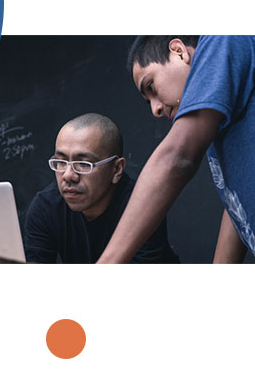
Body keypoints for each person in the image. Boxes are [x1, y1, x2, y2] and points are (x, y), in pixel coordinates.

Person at [98, 36, 255, 263]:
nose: (155, 109)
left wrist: (106, 265)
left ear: (178, 50)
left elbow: (177, 158)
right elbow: (236, 205)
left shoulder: (223, 37)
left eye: (150, 86)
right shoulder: (218, 124)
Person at [23, 113, 179, 263]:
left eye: (84, 164)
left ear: (116, 169)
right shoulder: (46, 207)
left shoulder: (143, 208)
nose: (68, 175)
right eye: (61, 162)